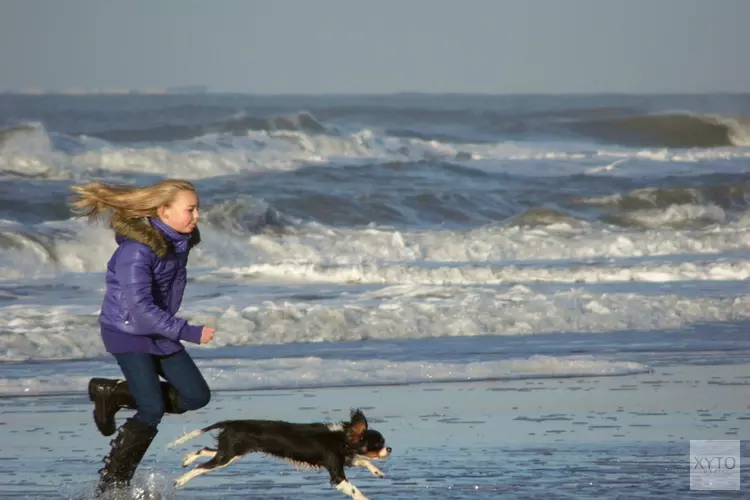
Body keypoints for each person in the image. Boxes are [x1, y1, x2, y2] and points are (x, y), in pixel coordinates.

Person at [69, 179, 215, 495]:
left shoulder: (178, 242)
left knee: (196, 396)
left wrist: (172, 330)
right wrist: (187, 331)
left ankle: (115, 394)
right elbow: (140, 310)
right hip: (128, 332)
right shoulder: (135, 252)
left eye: (197, 208)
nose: (197, 215)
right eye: (190, 209)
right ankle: (113, 484)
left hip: (158, 331)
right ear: (163, 211)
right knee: (151, 409)